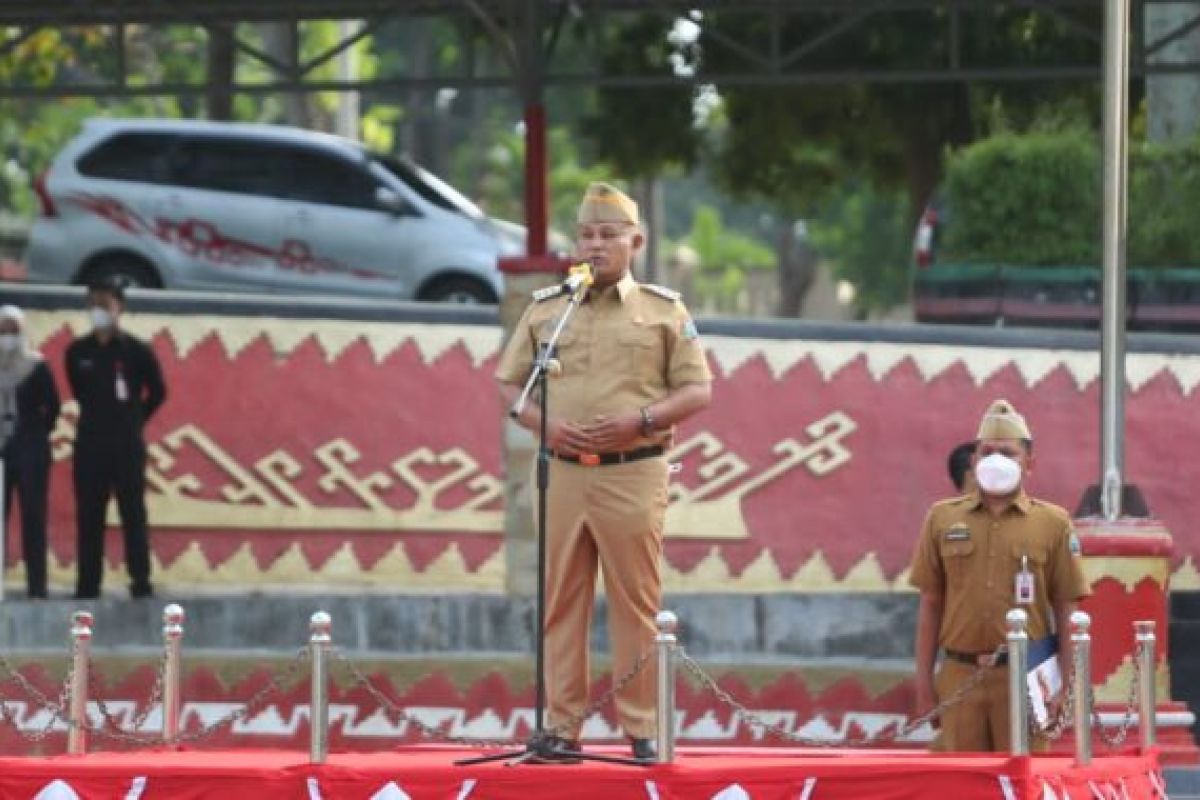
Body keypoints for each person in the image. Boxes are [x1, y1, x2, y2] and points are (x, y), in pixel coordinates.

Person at [495, 182, 712, 760]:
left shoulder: (664, 310)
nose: (595, 245)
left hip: (633, 470)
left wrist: (640, 419)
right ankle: (561, 728)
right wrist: (546, 426)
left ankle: (641, 726)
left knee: (634, 601)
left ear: (635, 242)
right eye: (587, 235)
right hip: (562, 471)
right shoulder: (550, 308)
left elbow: (698, 389)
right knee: (559, 601)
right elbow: (510, 385)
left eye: (608, 235)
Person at [909, 399, 1089, 752]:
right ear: (974, 461)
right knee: (961, 785)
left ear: (1029, 464)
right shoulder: (942, 519)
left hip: (1025, 679)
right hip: (960, 677)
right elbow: (930, 604)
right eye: (987, 452)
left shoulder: (1052, 523)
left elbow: (1067, 610)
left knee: (1021, 782)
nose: (996, 460)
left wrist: (1067, 687)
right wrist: (923, 688)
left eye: (1008, 453)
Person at [66, 277, 166, 599]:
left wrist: (135, 419)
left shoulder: (137, 351)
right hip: (90, 446)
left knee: (133, 514)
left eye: (105, 304)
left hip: (127, 447)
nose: (99, 310)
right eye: (93, 304)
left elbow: (159, 392)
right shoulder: (77, 352)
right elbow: (78, 392)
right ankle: (87, 585)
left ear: (119, 307)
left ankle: (140, 581)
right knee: (89, 517)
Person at [0, 305, 60, 599]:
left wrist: (36, 433)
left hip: (30, 451)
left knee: (33, 517)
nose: (8, 335)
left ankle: (37, 587)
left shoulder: (36, 366)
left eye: (13, 329)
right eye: (3, 329)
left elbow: (54, 406)